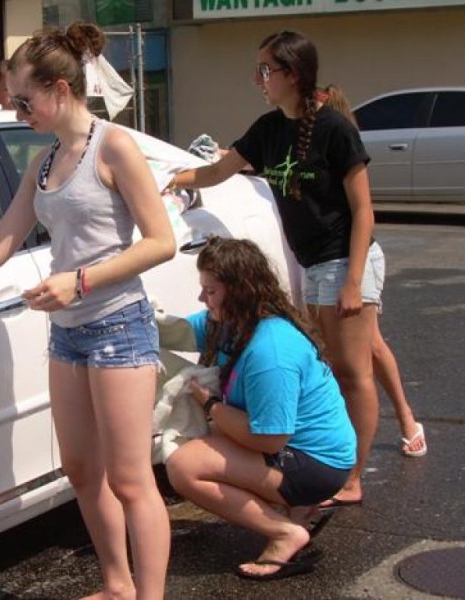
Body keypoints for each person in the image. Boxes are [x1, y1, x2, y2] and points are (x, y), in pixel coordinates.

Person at [0, 22, 175, 600]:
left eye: (24, 101)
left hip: (118, 329)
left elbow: (160, 241)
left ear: (60, 88)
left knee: (132, 480)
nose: (17, 112)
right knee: (83, 472)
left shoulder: (115, 146)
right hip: (69, 333)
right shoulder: (43, 162)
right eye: (12, 101)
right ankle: (116, 585)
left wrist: (77, 282)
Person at [170, 30, 378, 507]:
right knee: (336, 365)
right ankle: (324, 460)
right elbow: (218, 171)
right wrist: (169, 178)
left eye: (266, 70)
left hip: (347, 259)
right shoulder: (269, 129)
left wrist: (352, 281)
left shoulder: (334, 129)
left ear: (294, 74)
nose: (257, 79)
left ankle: (351, 475)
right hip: (312, 261)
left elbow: (365, 210)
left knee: (352, 373)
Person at [165, 236, 356, 581]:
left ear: (239, 291)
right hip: (303, 451)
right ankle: (296, 507)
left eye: (210, 291)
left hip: (317, 463)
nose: (201, 299)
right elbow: (177, 333)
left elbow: (270, 439)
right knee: (212, 438)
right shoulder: (232, 321)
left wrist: (210, 405)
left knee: (184, 466)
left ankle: (285, 532)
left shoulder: (271, 352)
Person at [320, 84, 427, 458]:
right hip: (347, 260)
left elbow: (363, 214)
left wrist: (353, 279)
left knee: (367, 353)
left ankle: (403, 421)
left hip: (357, 259)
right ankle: (406, 420)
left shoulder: (338, 147)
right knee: (372, 346)